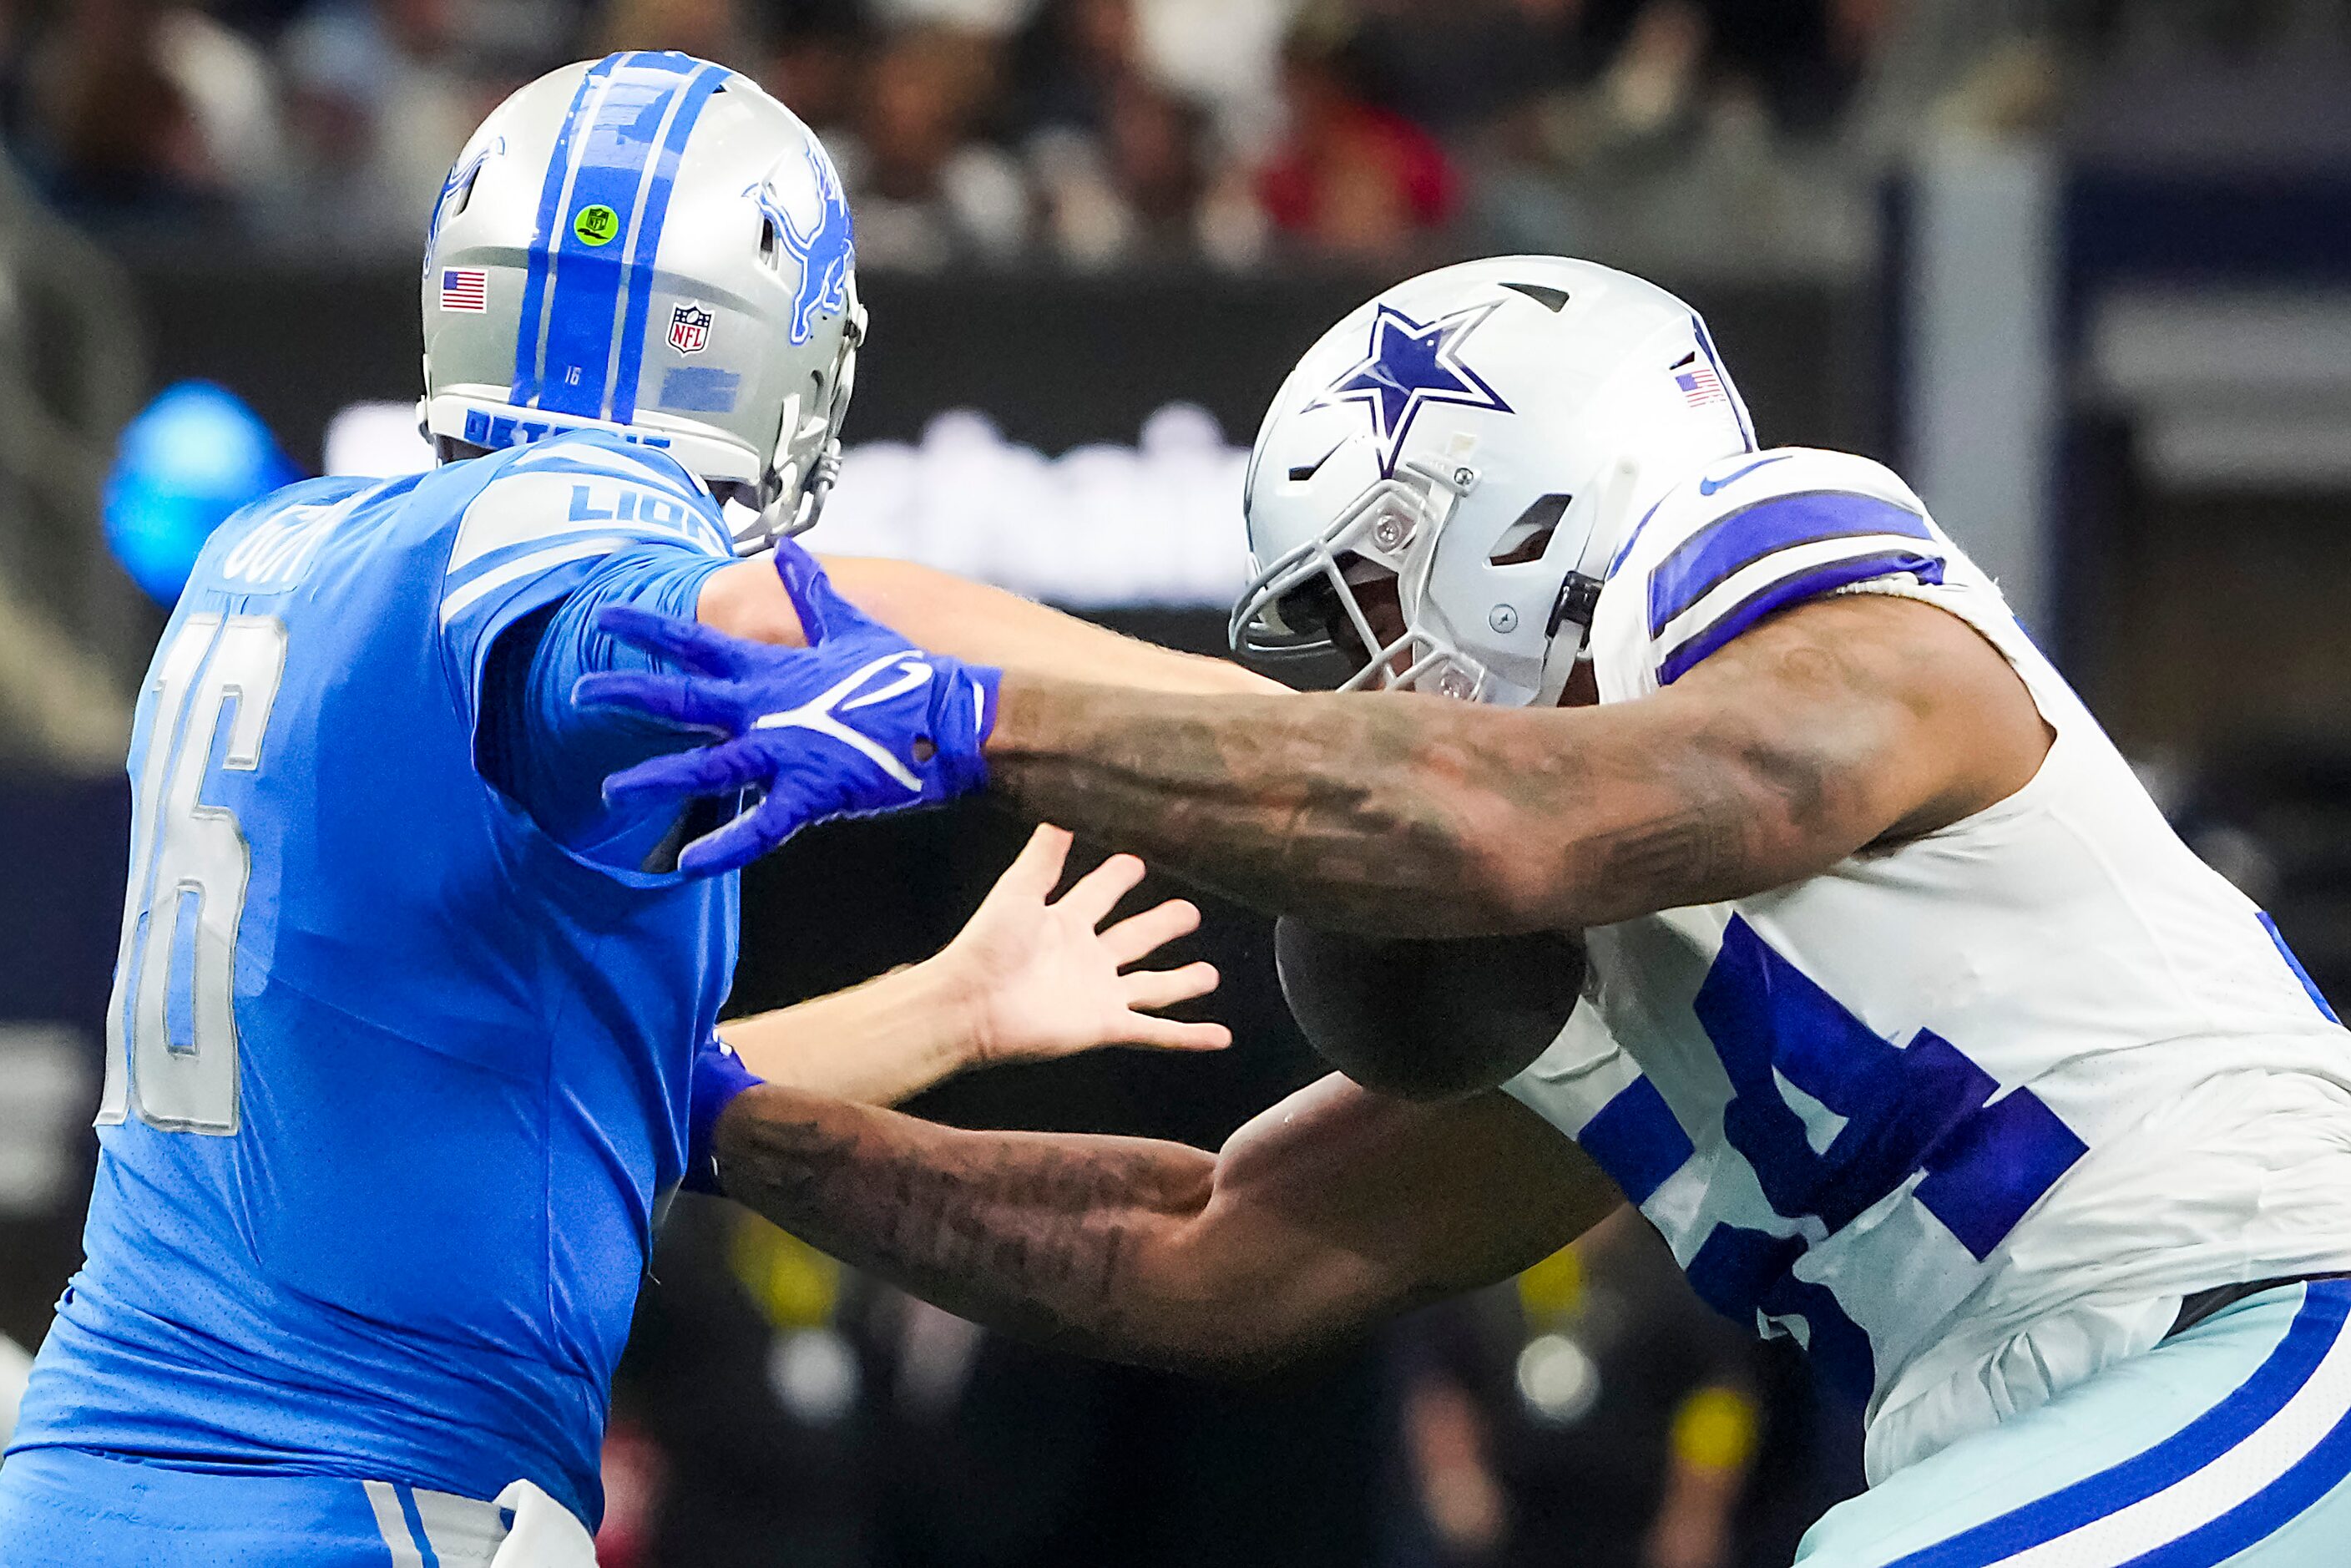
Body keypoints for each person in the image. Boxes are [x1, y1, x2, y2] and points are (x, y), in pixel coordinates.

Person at [584, 255, 2351, 1565]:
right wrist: (715, 1118)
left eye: (1363, 597)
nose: (1360, 680)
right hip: (2076, 1423)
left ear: (1523, 503)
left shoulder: (1788, 573)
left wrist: (981, 720)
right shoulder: (1629, 972)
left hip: (2267, 1311)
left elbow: (1501, 817)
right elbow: (1202, 1253)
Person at [0, 52, 1236, 1568]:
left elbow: (588, 1100)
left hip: (76, 1501)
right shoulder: (565, 522)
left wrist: (951, 1001)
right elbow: (744, 613)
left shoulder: (275, 548)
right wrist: (1275, 726)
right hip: (356, 1503)